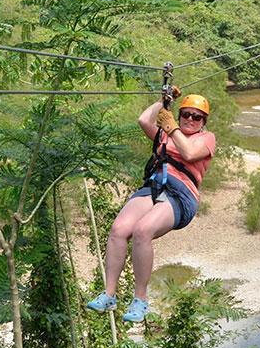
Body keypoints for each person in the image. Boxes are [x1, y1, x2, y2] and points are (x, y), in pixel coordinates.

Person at [86, 90, 215, 323]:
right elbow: (144, 120)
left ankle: (140, 299)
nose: (189, 120)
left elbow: (188, 152)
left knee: (143, 230)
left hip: (181, 195)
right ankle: (109, 294)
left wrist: (172, 127)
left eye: (196, 117)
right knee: (119, 229)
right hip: (155, 186)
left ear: (203, 122)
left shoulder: (206, 139)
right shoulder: (165, 135)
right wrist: (162, 102)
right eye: (185, 114)